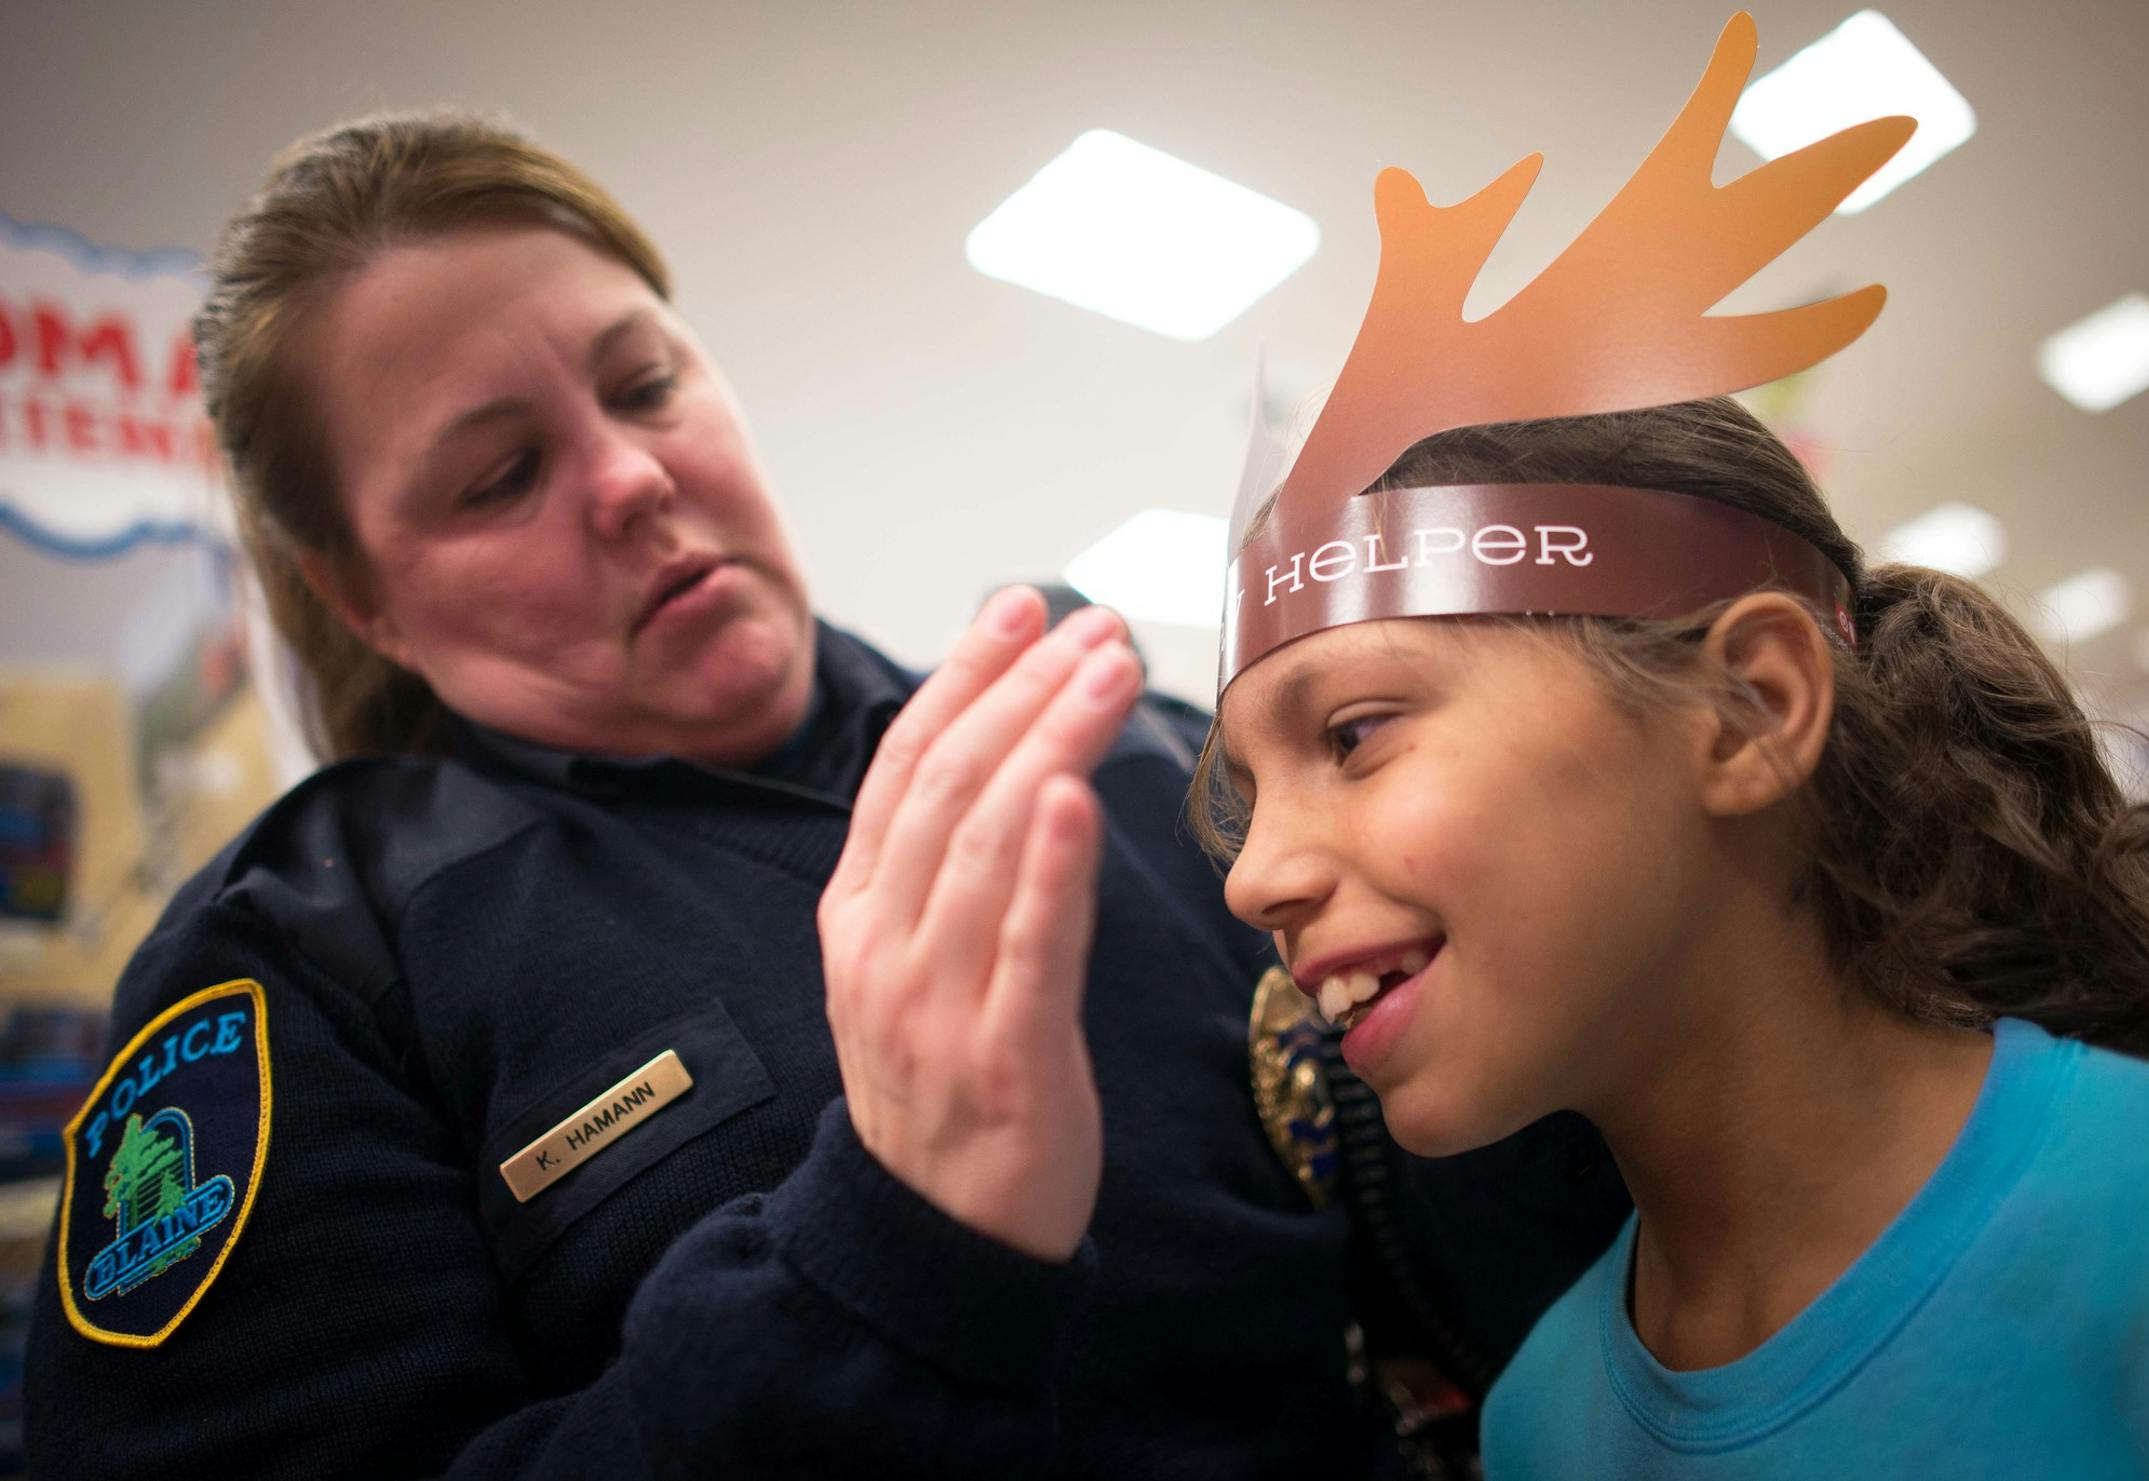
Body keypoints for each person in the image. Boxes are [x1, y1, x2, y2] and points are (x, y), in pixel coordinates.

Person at [26, 111, 1628, 1478]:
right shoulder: (304, 961)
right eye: (498, 476)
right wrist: (891, 1249)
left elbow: (1493, 1266)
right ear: (359, 594)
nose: (632, 476)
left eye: (644, 383)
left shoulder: (1129, 751)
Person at [1203, 397, 2149, 1477]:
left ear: (1747, 703)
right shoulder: (1538, 1422)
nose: (1251, 878)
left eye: (1354, 733)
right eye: (1246, 796)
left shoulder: (2136, 1221)